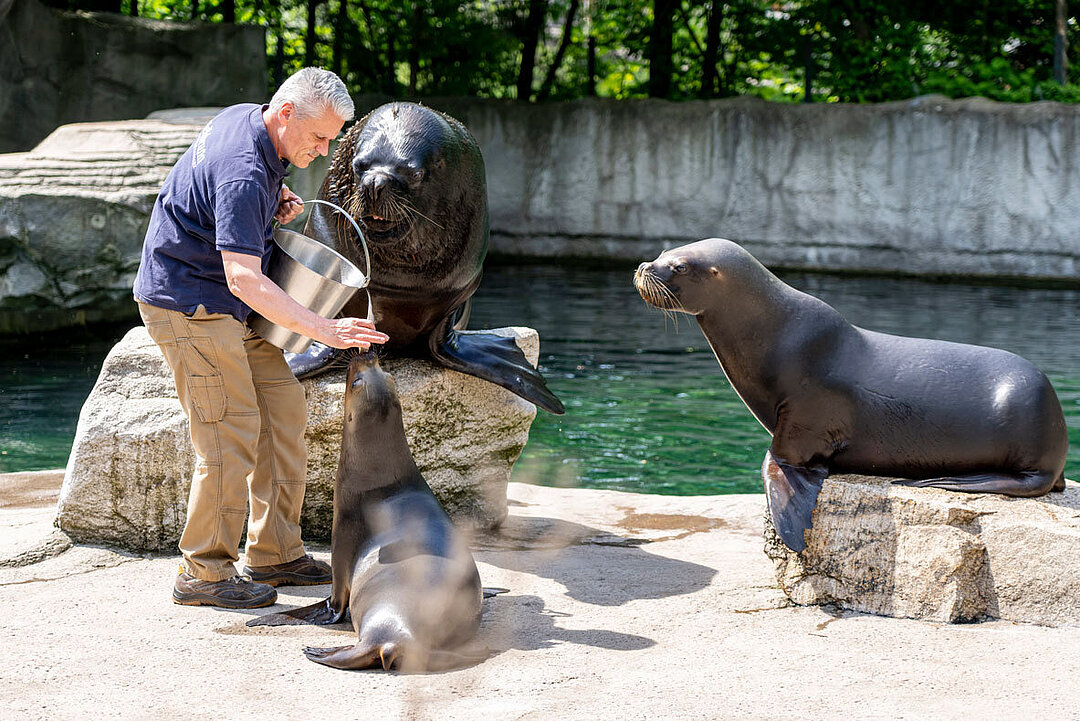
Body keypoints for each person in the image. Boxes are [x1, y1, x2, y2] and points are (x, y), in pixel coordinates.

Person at [133, 67, 388, 609]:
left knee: (283, 407)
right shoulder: (245, 171)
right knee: (230, 431)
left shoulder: (251, 124)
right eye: (319, 137)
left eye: (332, 140)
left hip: (225, 304)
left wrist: (276, 199)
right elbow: (243, 276)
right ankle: (203, 573)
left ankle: (273, 552)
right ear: (288, 112)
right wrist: (325, 329)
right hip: (189, 304)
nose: (323, 151)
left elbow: (229, 207)